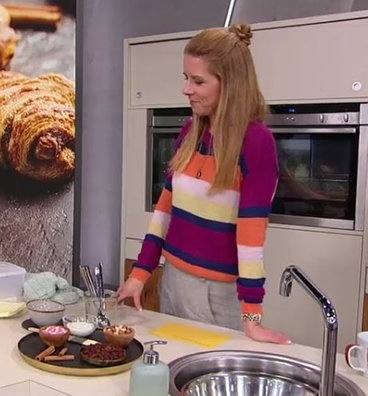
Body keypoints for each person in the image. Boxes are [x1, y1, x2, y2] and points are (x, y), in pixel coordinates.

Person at [117, 24, 291, 345]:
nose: (187, 89)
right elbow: (164, 211)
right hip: (173, 282)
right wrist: (139, 275)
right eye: (186, 77)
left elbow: (251, 239)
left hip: (218, 296)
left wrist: (252, 318)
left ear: (231, 85)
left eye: (198, 81)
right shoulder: (190, 131)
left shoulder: (255, 142)